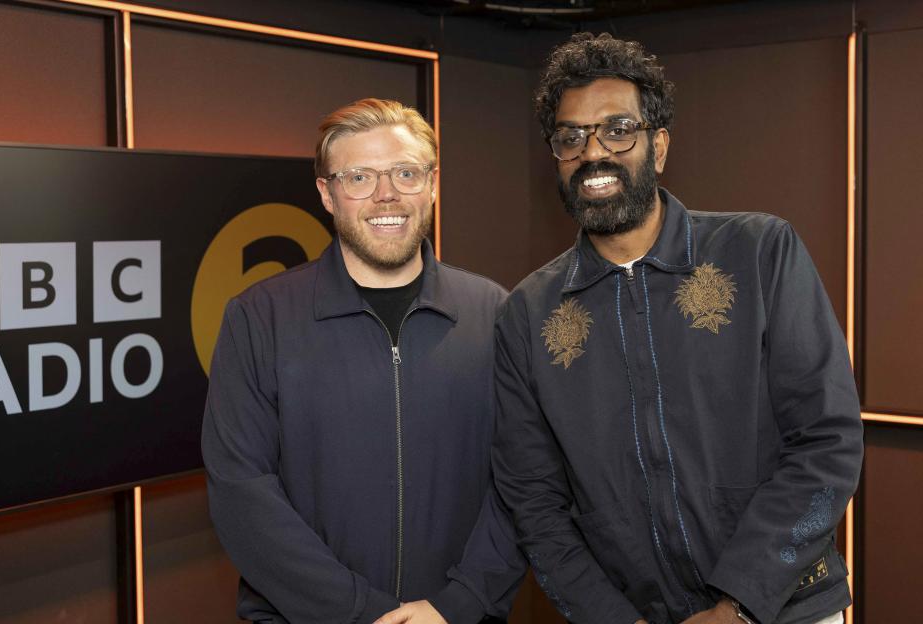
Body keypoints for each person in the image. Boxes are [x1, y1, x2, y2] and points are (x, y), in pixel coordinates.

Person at [491, 33, 863, 624]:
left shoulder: (760, 252)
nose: (594, 154)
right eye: (571, 137)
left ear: (658, 146)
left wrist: (737, 604)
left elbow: (827, 441)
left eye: (618, 130)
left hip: (785, 608)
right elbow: (534, 503)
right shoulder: (528, 314)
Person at [203, 98, 524, 624]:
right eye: (359, 177)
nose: (386, 195)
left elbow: (522, 479)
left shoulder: (495, 313)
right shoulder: (259, 319)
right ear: (327, 194)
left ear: (434, 183)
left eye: (405, 172)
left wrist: (459, 603)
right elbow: (242, 493)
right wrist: (360, 612)